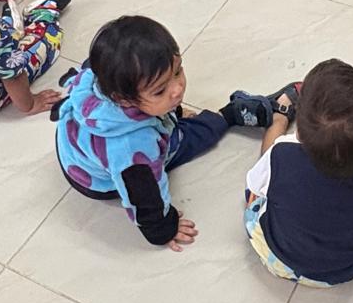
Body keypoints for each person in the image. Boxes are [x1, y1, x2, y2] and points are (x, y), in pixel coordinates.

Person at [55, 15, 302, 250]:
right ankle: (228, 115)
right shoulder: (133, 151)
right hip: (99, 180)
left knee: (167, 112)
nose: (178, 89)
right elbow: (143, 199)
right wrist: (164, 229)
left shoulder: (99, 75)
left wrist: (169, 106)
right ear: (124, 99)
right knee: (183, 140)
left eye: (177, 71)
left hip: (81, 146)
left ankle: (168, 108)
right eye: (160, 90)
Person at [245, 59, 353, 286]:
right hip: (344, 268)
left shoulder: (282, 153)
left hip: (280, 259)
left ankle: (279, 117)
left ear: (299, 134)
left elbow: (254, 185)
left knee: (258, 189)